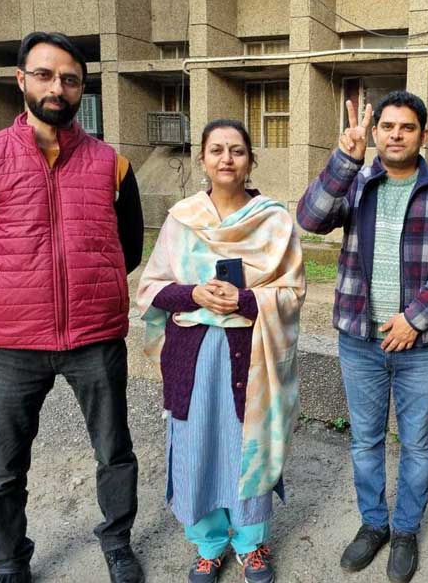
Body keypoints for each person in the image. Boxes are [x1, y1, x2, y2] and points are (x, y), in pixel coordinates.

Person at [0, 32, 144, 583]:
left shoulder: (112, 164)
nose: (58, 87)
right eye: (46, 75)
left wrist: (87, 287)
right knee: (1, 469)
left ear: (83, 88)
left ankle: (117, 541)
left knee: (114, 452)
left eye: (71, 79)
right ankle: (9, 559)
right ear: (22, 80)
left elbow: (128, 247)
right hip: (10, 340)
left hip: (94, 335)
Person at [296, 91, 428, 583]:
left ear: (424, 135)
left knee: (415, 443)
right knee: (366, 442)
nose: (395, 134)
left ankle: (407, 529)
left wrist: (414, 319)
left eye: (406, 127)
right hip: (360, 341)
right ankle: (374, 525)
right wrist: (344, 159)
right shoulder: (356, 181)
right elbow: (310, 219)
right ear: (375, 133)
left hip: (420, 345)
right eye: (387, 126)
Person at [137, 119, 305, 583]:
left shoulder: (273, 221)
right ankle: (209, 544)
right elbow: (152, 288)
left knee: (247, 448)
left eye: (236, 151)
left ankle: (252, 544)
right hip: (193, 358)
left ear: (251, 160)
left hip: (252, 357)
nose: (226, 159)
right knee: (198, 448)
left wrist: (247, 299)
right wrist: (193, 295)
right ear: (203, 159)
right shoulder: (181, 218)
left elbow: (292, 292)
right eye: (216, 150)